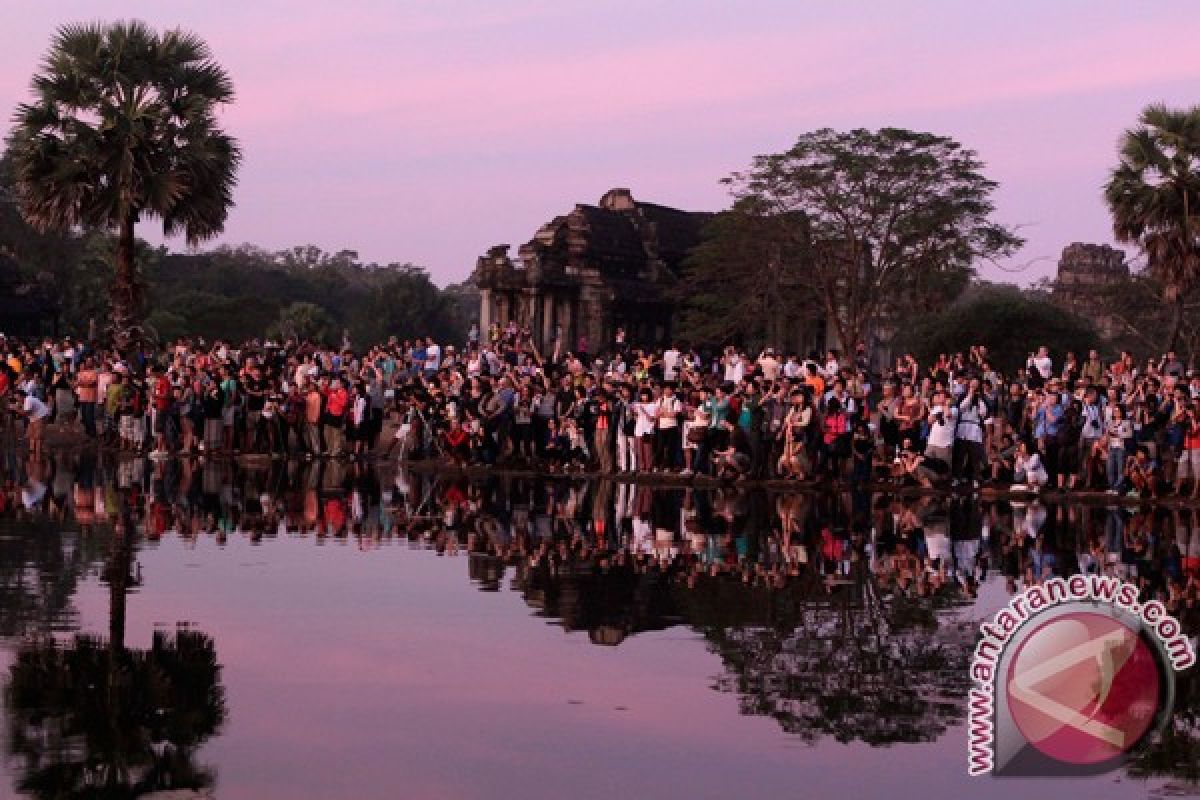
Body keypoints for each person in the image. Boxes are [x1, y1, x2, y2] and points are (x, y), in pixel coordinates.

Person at [16, 388, 51, 457]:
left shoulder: (28, 400)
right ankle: (32, 452)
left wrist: (16, 409)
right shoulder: (24, 401)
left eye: (18, 397)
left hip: (41, 416)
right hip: (33, 418)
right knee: (31, 435)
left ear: (22, 396)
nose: (17, 399)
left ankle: (38, 453)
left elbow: (26, 413)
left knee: (38, 436)